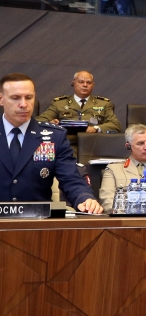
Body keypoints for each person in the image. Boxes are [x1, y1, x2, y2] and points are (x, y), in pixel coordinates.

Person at [0, 72, 101, 213]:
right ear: (1, 99)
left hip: (38, 223)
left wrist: (84, 198)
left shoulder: (54, 137)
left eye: (29, 97)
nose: (24, 104)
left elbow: (71, 178)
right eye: (15, 98)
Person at [98, 124, 146, 209]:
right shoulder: (113, 170)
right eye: (140, 143)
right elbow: (107, 202)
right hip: (127, 219)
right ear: (128, 146)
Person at [36, 70, 121, 134]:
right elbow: (39, 121)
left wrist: (95, 128)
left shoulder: (104, 104)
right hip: (66, 145)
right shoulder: (59, 103)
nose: (85, 85)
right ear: (73, 83)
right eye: (81, 82)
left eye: (89, 82)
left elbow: (115, 125)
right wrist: (51, 124)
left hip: (93, 145)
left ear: (93, 85)